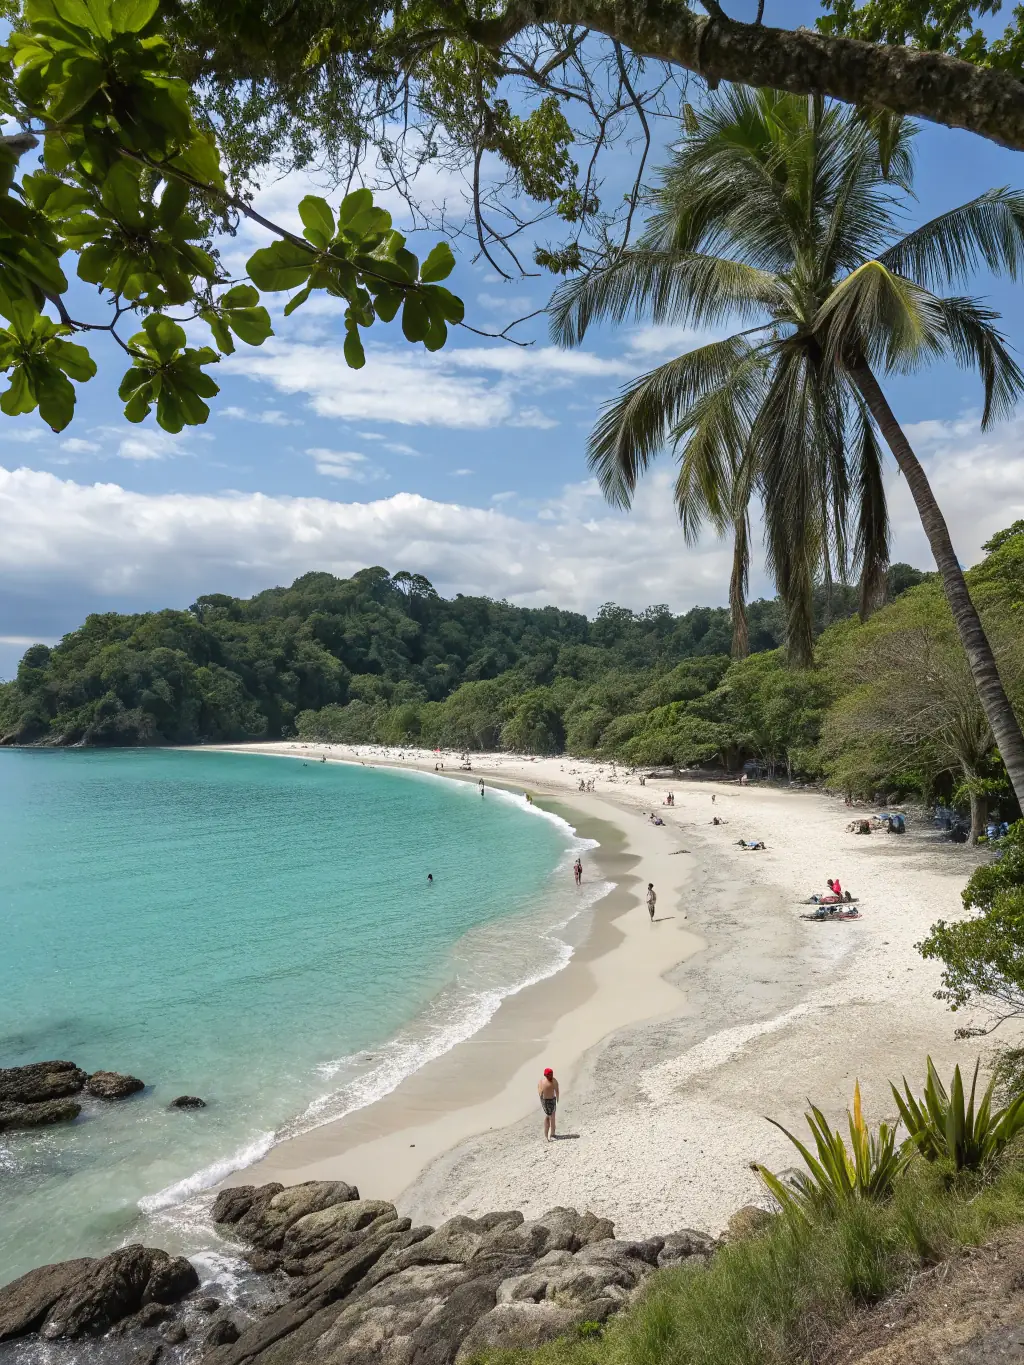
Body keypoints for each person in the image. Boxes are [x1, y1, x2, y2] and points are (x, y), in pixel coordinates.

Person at [538, 1067, 559, 1140]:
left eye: (552, 1074)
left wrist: (557, 1099)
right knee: (548, 1117)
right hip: (545, 1101)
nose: (551, 1076)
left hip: (552, 1100)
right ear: (545, 1075)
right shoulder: (542, 1082)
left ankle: (552, 1134)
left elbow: (557, 1090)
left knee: (552, 1117)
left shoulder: (554, 1081)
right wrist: (542, 1102)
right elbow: (540, 1093)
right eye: (549, 1075)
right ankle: (547, 1135)